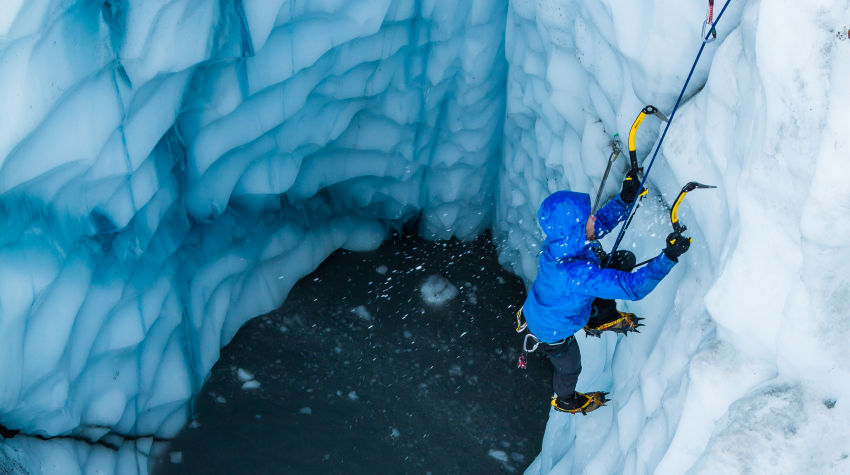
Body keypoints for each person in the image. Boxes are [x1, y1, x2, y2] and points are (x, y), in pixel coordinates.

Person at [516, 171, 690, 414]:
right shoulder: (576, 275)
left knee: (620, 260)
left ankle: (598, 317)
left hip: (548, 305)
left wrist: (625, 199)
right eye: (588, 218)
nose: (594, 219)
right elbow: (632, 287)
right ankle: (566, 401)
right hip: (551, 332)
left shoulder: (560, 245)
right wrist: (668, 257)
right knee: (570, 367)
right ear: (574, 230)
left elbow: (598, 226)